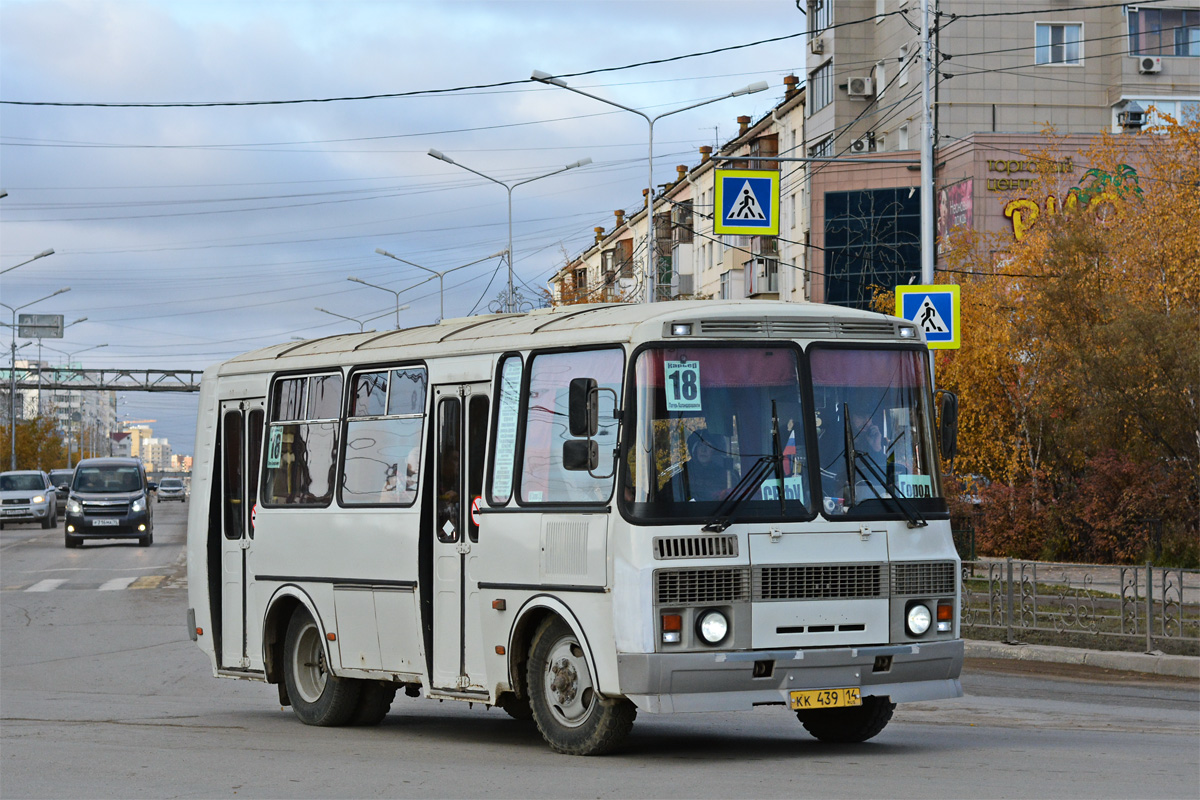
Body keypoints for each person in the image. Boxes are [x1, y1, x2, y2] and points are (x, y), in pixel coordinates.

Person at [685, 430, 735, 501]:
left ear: (715, 451)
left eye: (708, 446)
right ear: (695, 450)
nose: (703, 450)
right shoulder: (684, 475)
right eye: (700, 445)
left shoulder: (728, 475)